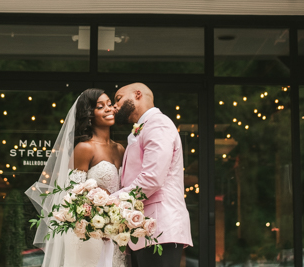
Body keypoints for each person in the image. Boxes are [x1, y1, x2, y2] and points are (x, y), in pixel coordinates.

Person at [26, 89, 129, 267]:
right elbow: (73, 196)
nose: (108, 109)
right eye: (100, 106)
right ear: (89, 115)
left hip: (115, 234)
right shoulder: (84, 148)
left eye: (109, 104)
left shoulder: (120, 149)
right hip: (88, 234)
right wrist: (98, 223)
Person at [113, 83, 192, 267]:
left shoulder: (159, 124)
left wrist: (113, 201)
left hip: (160, 228)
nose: (115, 106)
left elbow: (152, 178)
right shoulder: (143, 128)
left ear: (138, 94)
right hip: (145, 231)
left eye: (119, 98)